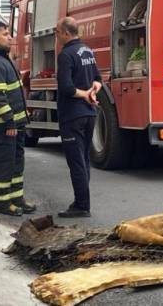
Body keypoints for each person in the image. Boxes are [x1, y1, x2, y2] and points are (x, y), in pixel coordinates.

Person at [0, 21, 36, 216]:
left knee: (16, 162)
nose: (10, 37)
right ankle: (1, 204)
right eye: (5, 34)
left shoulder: (4, 60)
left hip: (16, 124)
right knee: (4, 165)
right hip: (5, 126)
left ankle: (16, 198)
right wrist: (10, 122)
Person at [55, 17, 102, 218]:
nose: (56, 37)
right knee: (83, 159)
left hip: (72, 115)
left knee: (76, 162)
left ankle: (82, 205)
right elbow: (98, 80)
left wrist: (84, 93)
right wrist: (93, 90)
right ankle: (81, 200)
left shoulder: (66, 55)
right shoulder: (87, 51)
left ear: (66, 33)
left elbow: (66, 87)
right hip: (89, 114)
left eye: (58, 33)